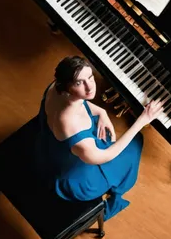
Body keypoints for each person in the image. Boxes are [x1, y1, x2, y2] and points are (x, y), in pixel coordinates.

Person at [33, 55, 163, 220]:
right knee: (136, 143)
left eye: (90, 77)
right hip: (77, 181)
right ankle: (113, 198)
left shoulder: (55, 88)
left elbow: (79, 103)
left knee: (102, 131)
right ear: (67, 86)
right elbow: (104, 157)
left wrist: (102, 112)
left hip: (48, 146)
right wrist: (142, 120)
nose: (90, 87)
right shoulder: (73, 128)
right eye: (79, 83)